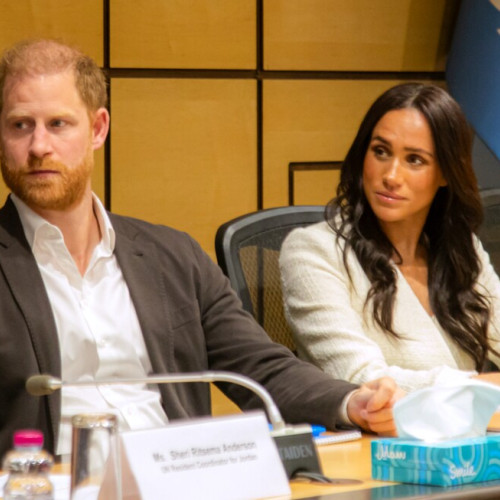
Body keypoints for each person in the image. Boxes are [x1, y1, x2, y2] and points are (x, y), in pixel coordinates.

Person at [0, 38, 402, 459]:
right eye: (20, 125)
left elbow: (259, 367)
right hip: (51, 481)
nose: (39, 146)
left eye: (58, 124)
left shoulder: (172, 257)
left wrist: (352, 402)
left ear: (98, 129)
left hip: (177, 473)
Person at [280, 82, 500, 393]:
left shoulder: (461, 250)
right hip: (380, 426)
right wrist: (479, 387)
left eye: (415, 160)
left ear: (445, 173)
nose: (392, 176)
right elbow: (362, 378)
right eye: (381, 152)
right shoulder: (313, 251)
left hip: (468, 422)